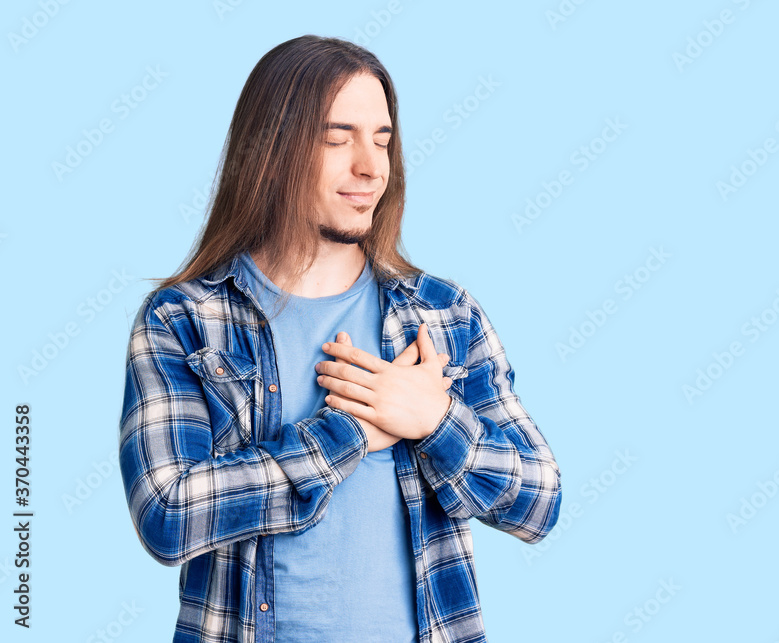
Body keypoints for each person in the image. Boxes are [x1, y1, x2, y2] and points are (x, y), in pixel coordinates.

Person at [117, 34, 561, 643]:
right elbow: (167, 515)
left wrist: (436, 420)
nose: (370, 167)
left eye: (382, 140)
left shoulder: (442, 315)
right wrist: (350, 434)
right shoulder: (184, 319)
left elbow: (538, 502)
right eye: (337, 138)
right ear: (271, 150)